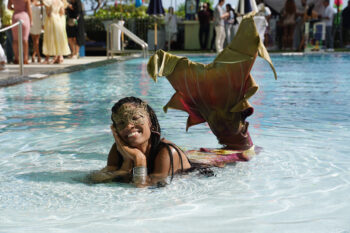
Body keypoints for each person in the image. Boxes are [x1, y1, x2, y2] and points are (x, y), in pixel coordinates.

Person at [90, 97, 191, 187]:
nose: (129, 126)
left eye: (135, 118)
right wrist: (125, 167)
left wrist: (139, 159)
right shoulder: (118, 150)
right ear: (115, 130)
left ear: (150, 122)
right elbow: (92, 179)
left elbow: (143, 189)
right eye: (121, 123)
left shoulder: (167, 152)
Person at [8, 0, 32, 64]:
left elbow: (9, 7)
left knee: (15, 40)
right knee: (25, 40)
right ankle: (25, 58)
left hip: (15, 17)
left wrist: (15, 9)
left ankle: (16, 58)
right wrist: (31, 21)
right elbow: (29, 10)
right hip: (24, 17)